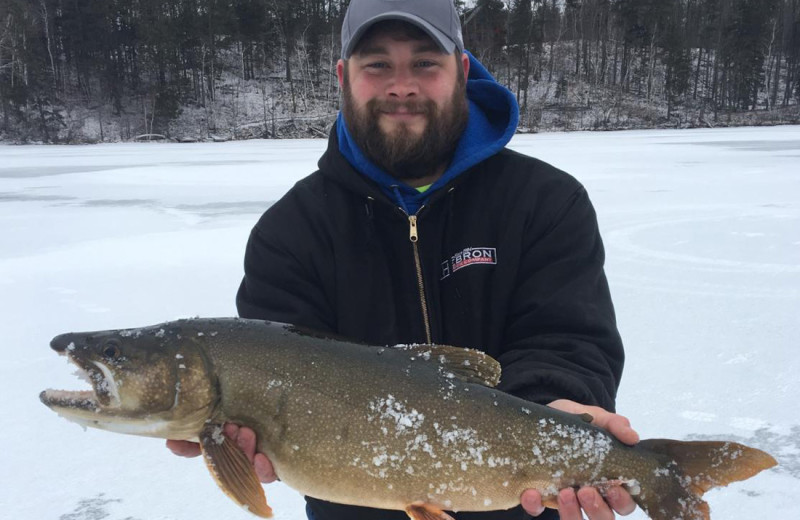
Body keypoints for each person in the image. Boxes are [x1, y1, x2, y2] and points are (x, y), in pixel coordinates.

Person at [169, 0, 639, 519]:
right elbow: (277, 373)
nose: (401, 86)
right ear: (344, 77)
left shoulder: (545, 200)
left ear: (460, 71)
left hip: (525, 503)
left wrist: (557, 404)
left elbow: (567, 338)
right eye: (377, 65)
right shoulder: (290, 232)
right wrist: (240, 436)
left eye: (424, 63)